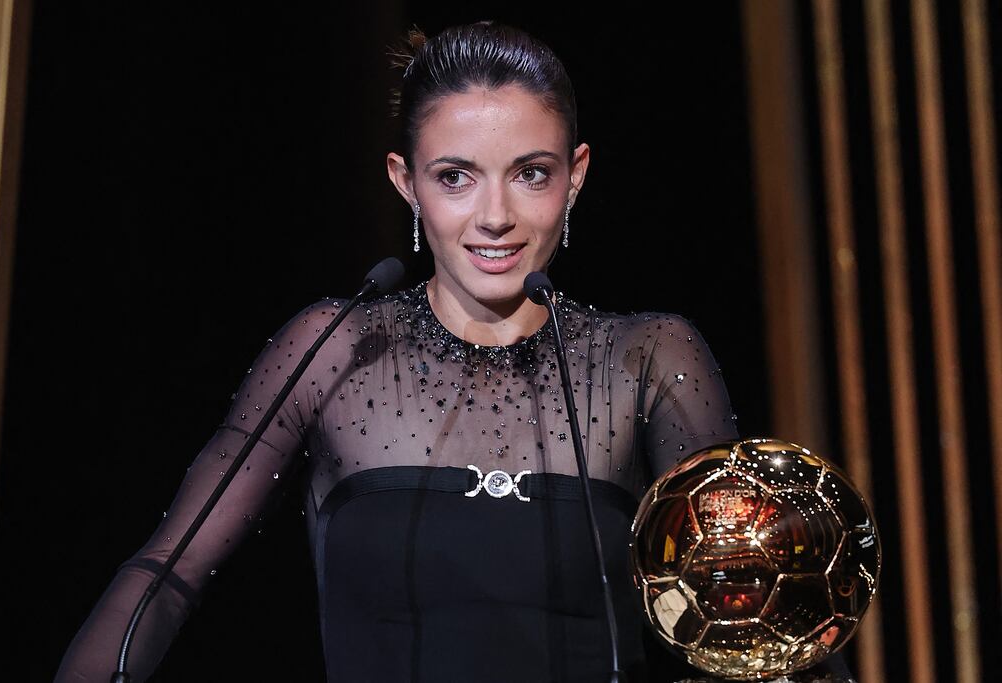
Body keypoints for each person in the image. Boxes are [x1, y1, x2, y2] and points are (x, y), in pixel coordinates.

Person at [54, 20, 854, 683]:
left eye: (530, 173)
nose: (495, 215)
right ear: (407, 182)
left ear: (575, 176)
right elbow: (169, 571)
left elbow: (751, 616)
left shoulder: (644, 357)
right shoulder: (337, 348)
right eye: (456, 176)